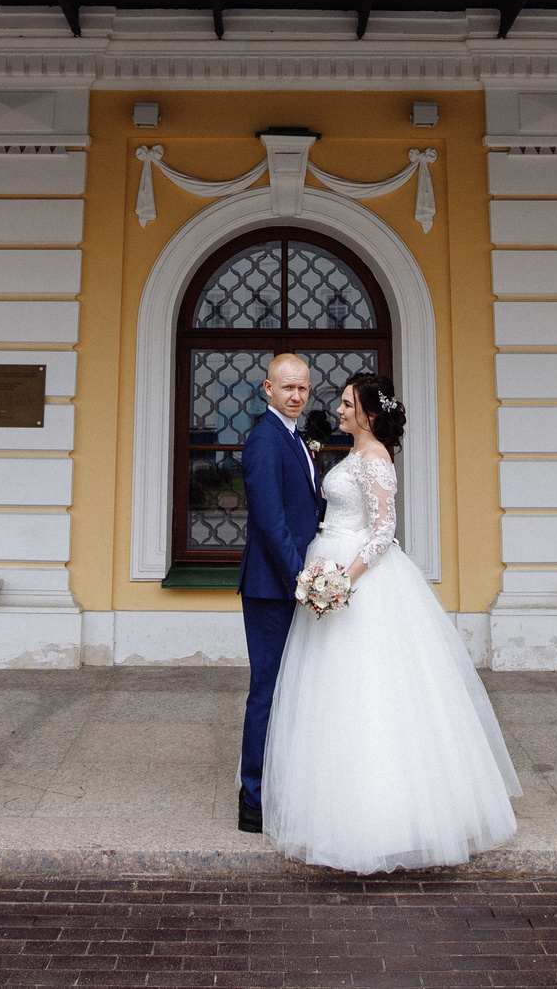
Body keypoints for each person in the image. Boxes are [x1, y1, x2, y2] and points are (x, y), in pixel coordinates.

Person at [261, 373, 521, 873]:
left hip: (359, 580)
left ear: (368, 414)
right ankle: (329, 804)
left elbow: (383, 533)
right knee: (329, 693)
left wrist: (341, 580)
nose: (336, 410)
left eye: (346, 404)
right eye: (338, 403)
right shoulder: (354, 456)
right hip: (332, 563)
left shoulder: (376, 459)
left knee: (372, 692)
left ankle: (383, 817)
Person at [235, 351, 326, 834]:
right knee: (267, 690)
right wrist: (303, 580)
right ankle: (252, 799)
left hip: (289, 581)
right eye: (287, 387)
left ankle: (280, 782)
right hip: (273, 588)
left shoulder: (292, 437)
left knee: (292, 689)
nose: (296, 396)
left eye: (303, 389)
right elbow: (270, 524)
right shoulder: (265, 441)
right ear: (267, 389)